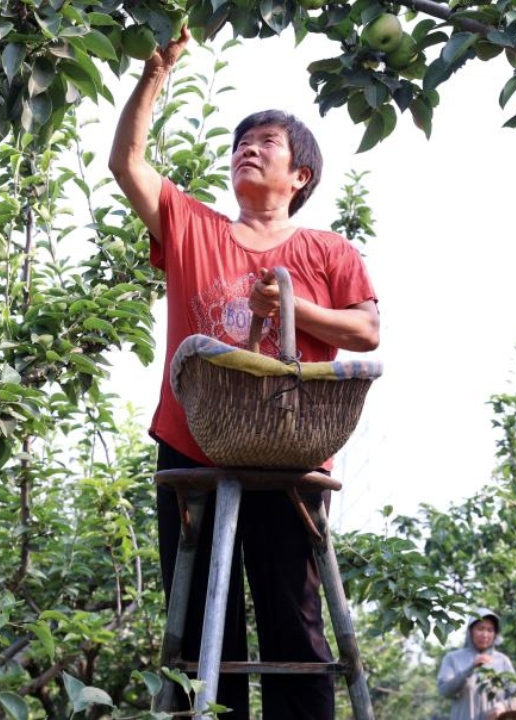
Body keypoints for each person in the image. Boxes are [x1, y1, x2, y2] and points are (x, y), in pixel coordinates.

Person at [108, 25, 381, 720]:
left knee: (293, 619)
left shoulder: (327, 250)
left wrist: (295, 306)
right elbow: (126, 162)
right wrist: (154, 76)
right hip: (195, 440)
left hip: (289, 446)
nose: (247, 151)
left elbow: (367, 330)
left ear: (301, 176)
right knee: (201, 622)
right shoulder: (193, 227)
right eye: (240, 143)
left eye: (266, 143)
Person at [437, 609, 516, 720]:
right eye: (480, 629)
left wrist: (503, 707)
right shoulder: (453, 658)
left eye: (490, 630)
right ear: (470, 631)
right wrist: (470, 668)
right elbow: (445, 690)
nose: (485, 634)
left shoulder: (502, 660)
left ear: (495, 634)